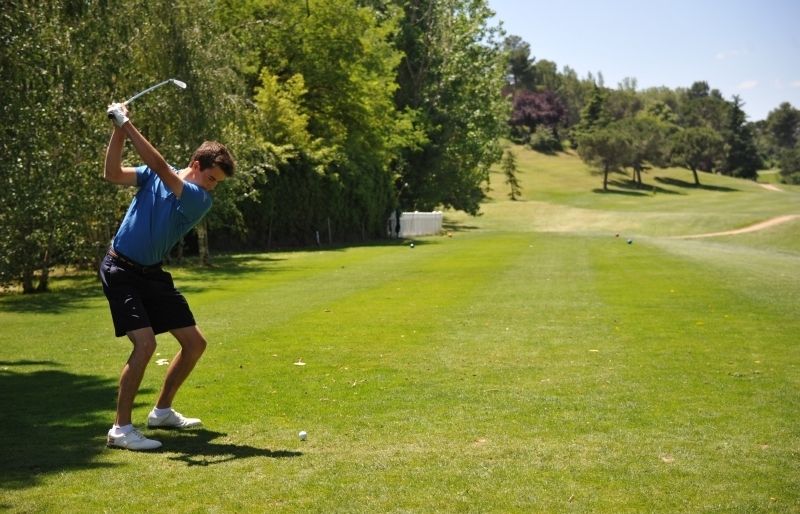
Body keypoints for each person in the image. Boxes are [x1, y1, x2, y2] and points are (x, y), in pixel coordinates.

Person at [100, 103, 235, 450]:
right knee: (145, 344)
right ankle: (121, 429)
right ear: (195, 165)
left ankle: (161, 411)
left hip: (151, 273)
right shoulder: (154, 176)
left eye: (217, 183)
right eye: (211, 178)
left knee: (195, 343)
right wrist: (119, 129)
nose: (212, 187)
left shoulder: (198, 199)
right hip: (120, 269)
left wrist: (125, 122)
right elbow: (112, 173)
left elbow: (161, 167)